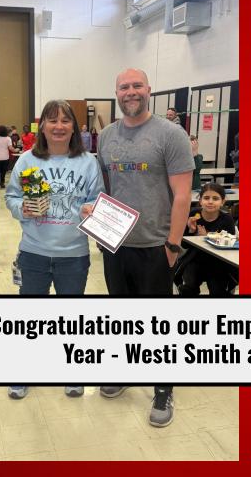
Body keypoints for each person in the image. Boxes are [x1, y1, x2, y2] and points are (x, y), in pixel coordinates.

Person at [90, 68, 193, 427]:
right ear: (116, 92)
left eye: (137, 86)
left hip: (155, 245)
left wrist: (173, 245)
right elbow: (107, 186)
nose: (130, 92)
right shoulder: (106, 136)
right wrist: (101, 228)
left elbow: (183, 195)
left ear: (149, 90)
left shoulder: (171, 134)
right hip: (116, 244)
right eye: (124, 87)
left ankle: (163, 387)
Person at [4, 100, 103, 400]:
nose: (58, 126)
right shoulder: (28, 161)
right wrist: (24, 208)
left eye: (65, 120)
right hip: (33, 252)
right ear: (42, 126)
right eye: (52, 120)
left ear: (74, 126)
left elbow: (97, 200)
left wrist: (92, 209)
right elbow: (11, 198)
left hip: (73, 254)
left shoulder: (88, 162)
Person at [178, 183, 237, 295]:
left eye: (215, 198)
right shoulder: (193, 214)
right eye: (206, 198)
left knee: (217, 289)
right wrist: (191, 231)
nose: (210, 202)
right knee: (189, 286)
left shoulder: (226, 219)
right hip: (195, 259)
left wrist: (207, 237)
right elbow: (184, 245)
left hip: (218, 262)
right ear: (200, 201)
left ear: (223, 201)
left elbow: (229, 245)